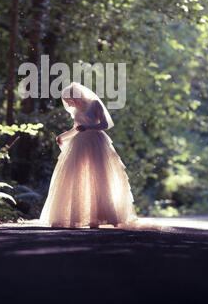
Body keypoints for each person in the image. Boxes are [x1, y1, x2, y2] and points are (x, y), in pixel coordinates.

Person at [39, 81, 139, 229]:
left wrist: (88, 127)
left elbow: (104, 125)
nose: (68, 104)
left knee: (99, 177)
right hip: (79, 145)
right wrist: (62, 136)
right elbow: (76, 129)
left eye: (69, 100)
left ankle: (100, 216)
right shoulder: (76, 111)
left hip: (96, 144)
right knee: (77, 177)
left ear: (76, 96)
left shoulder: (95, 104)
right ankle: (77, 216)